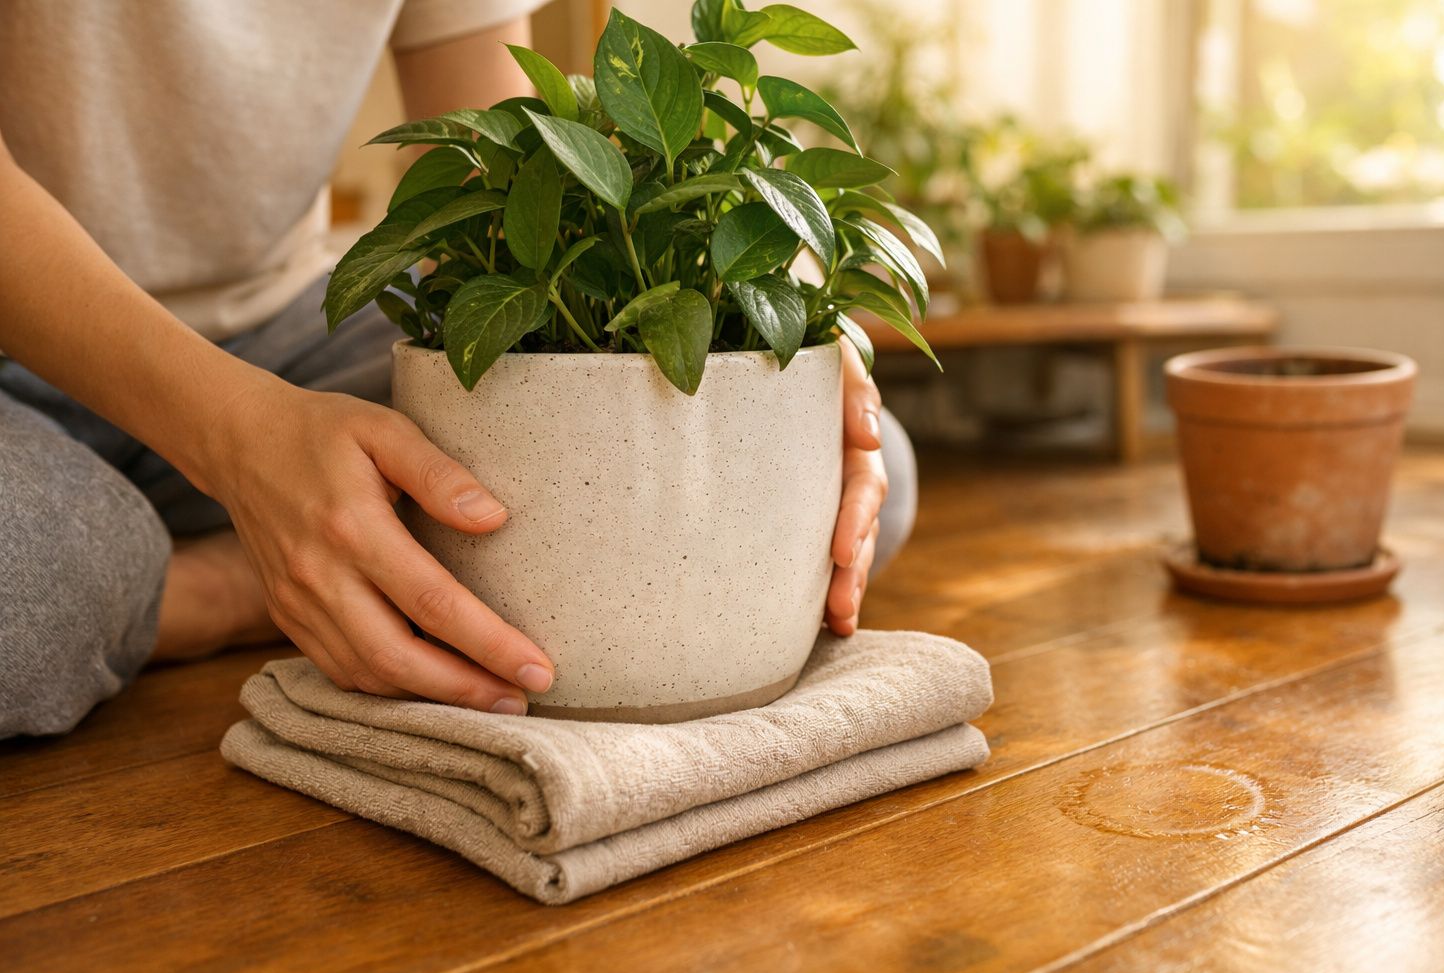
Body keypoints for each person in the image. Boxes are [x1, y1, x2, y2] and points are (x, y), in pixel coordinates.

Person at [0, 1, 917, 739]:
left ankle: (223, 575)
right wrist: (237, 441)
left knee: (836, 469)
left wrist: (768, 328)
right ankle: (237, 576)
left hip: (275, 328)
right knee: (27, 598)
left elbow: (495, 165)